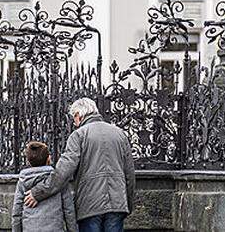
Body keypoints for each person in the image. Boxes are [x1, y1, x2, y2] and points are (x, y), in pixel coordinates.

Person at [24, 98, 136, 232]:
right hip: (117, 205)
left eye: (74, 119)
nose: (75, 124)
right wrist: (127, 205)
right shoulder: (120, 134)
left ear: (79, 115)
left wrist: (38, 192)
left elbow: (63, 172)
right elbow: (129, 175)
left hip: (90, 206)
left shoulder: (79, 135)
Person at [12, 141, 77, 232]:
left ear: (28, 162)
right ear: (48, 159)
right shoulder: (58, 180)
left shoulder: (23, 181)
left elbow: (17, 212)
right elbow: (68, 210)